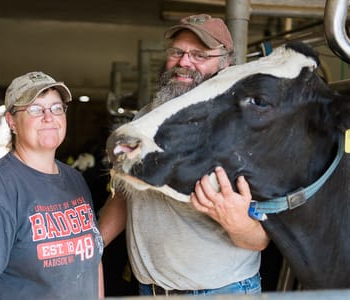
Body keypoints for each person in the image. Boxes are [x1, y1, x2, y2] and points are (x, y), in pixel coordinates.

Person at [99, 14, 269, 296]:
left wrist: (235, 220)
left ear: (224, 62)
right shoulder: (145, 120)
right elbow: (127, 194)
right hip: (150, 290)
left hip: (220, 292)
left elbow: (260, 238)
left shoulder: (245, 129)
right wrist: (89, 246)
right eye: (177, 52)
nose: (184, 62)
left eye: (198, 55)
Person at [0, 71, 104, 300]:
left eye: (56, 108)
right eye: (35, 109)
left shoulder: (75, 180)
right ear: (11, 121)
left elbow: (92, 259)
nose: (48, 117)